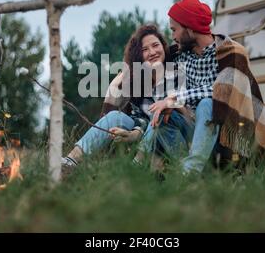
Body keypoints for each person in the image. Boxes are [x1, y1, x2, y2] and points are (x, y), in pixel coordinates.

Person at [148, 0, 265, 186]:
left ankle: (190, 173)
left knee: (207, 103)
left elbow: (222, 91)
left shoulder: (232, 52)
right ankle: (186, 173)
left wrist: (174, 99)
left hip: (228, 138)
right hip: (195, 134)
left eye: (174, 30)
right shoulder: (181, 55)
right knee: (161, 115)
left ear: (190, 28)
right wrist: (171, 105)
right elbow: (147, 61)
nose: (173, 36)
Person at [61, 24, 192, 175]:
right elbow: (140, 118)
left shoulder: (177, 71)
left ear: (163, 46)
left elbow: (181, 112)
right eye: (145, 50)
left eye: (156, 45)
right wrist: (133, 133)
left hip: (175, 138)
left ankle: (135, 168)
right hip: (147, 136)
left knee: (162, 112)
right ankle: (70, 162)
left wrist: (136, 134)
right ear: (139, 56)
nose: (152, 52)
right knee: (115, 117)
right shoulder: (139, 81)